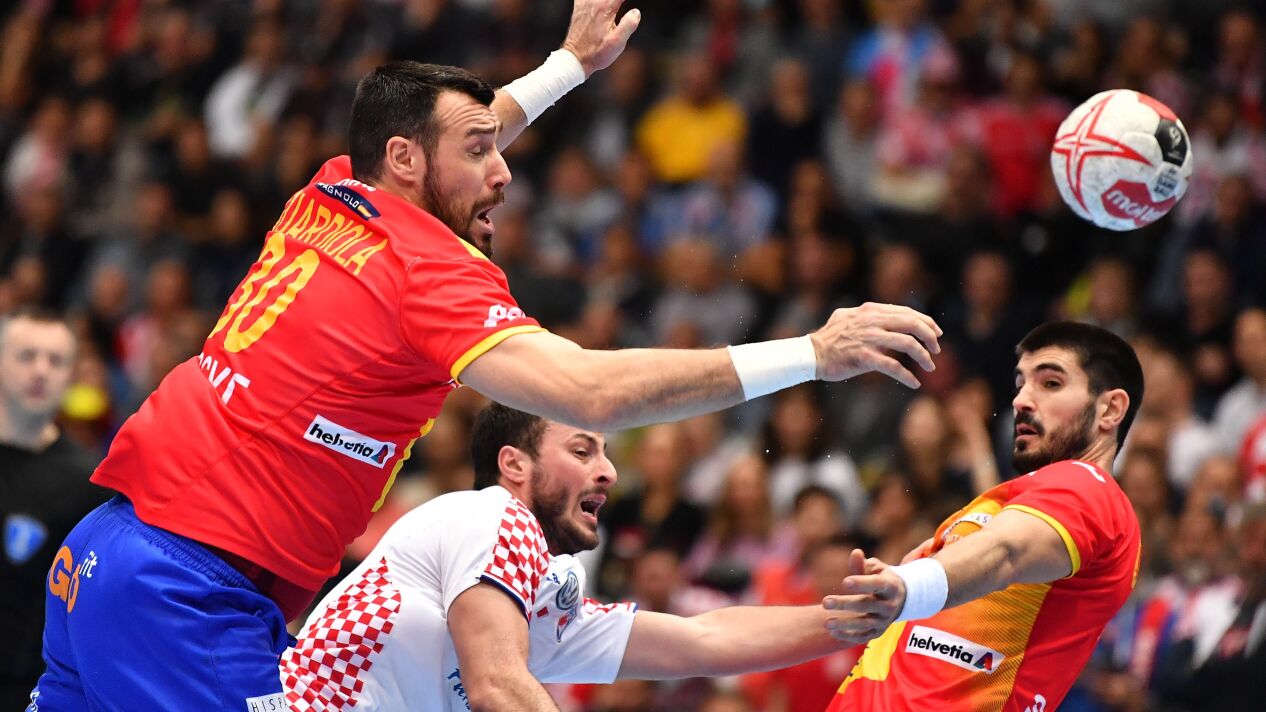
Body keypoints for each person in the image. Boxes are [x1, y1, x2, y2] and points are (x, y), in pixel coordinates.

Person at [33, 1, 943, 709]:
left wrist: (567, 67)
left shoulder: (335, 191)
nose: (503, 168)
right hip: (188, 593)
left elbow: (694, 643)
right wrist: (812, 352)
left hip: (103, 555)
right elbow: (588, 390)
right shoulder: (429, 273)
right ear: (405, 160)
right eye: (481, 152)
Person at [282, 404, 853, 711]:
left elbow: (706, 640)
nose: (609, 472)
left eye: (605, 453)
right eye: (582, 451)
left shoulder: (545, 593)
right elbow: (498, 686)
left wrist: (864, 619)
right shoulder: (492, 515)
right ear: (514, 465)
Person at [821, 321, 1144, 711]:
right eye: (1020, 384)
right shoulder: (1013, 501)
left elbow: (1007, 552)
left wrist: (908, 585)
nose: (1021, 400)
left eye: (1050, 383)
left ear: (1110, 409)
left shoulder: (1089, 487)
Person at [0, 308, 106, 708]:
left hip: (27, 692)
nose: (41, 370)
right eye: (27, 356)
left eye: (56, 360)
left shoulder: (88, 483)